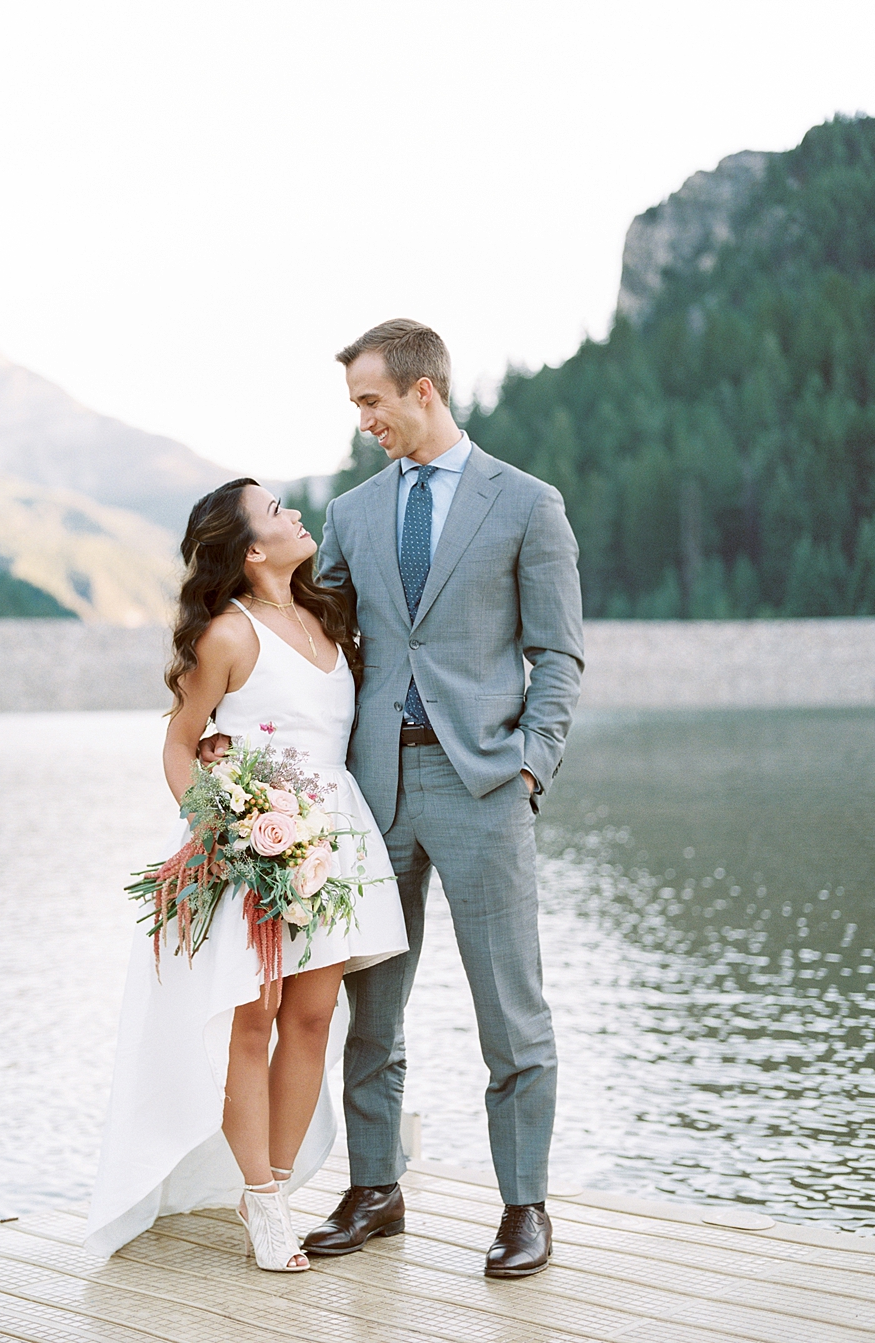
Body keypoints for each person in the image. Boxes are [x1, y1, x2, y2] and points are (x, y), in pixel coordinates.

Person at [300, 319, 584, 1279]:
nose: (363, 421)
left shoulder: (529, 505)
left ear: (423, 390)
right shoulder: (349, 514)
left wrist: (534, 761)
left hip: (486, 784)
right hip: (372, 789)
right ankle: (376, 1188)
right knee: (370, 1003)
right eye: (356, 407)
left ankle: (523, 1206)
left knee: (511, 1007)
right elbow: (321, 642)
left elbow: (559, 654)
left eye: (371, 401)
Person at [84, 479, 408, 1270]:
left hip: (333, 841)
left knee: (312, 1017)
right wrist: (223, 833)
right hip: (250, 844)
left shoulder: (328, 619)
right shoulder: (227, 635)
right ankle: (263, 1204)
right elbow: (179, 742)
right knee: (253, 1018)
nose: (295, 513)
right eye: (275, 512)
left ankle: (279, 1185)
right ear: (252, 550)